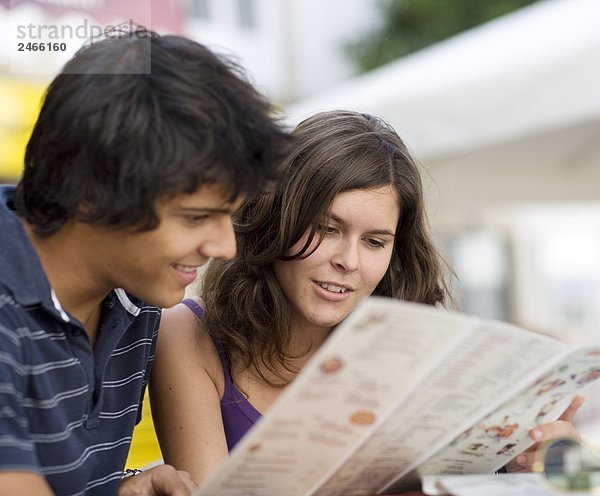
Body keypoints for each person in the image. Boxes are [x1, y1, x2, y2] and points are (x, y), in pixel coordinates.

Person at [150, 110, 584, 489]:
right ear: (274, 222)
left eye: (375, 242)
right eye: (327, 229)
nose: (349, 261)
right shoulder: (187, 335)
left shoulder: (419, 344)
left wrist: (519, 460)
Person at [0, 28, 291, 496]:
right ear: (90, 194)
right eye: (196, 217)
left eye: (229, 216)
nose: (225, 247)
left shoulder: (134, 299)